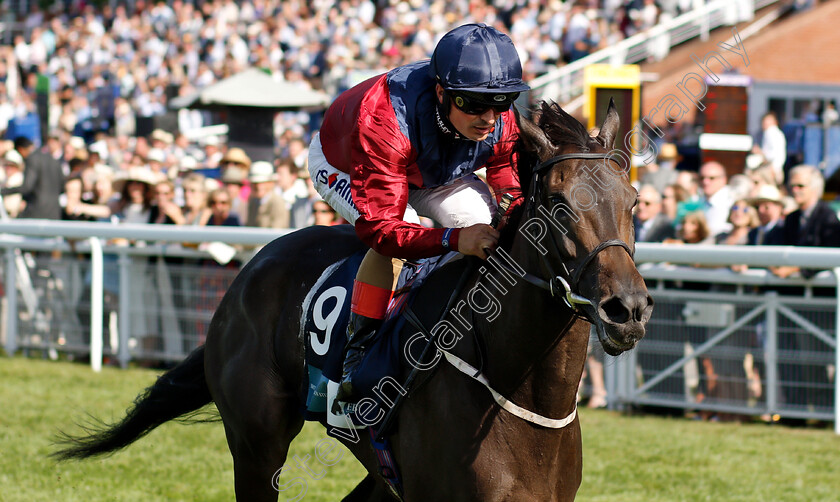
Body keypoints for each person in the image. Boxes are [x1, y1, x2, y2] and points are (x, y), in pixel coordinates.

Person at [308, 23, 527, 404]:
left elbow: (507, 176)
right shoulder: (384, 119)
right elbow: (384, 230)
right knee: (402, 236)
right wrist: (454, 239)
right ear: (442, 92)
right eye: (473, 104)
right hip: (349, 161)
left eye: (501, 102)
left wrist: (511, 214)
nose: (489, 118)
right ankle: (357, 357)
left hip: (433, 167)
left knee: (488, 227)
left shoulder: (498, 116)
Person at [772, 165, 840, 279]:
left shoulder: (828, 217)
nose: (794, 190)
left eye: (800, 186)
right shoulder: (791, 218)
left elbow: (829, 256)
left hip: (818, 291)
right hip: (792, 289)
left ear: (815, 188)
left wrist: (796, 268)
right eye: (792, 186)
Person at [0, 136, 64, 219]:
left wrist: (3, 191)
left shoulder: (32, 159)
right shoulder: (53, 159)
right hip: (55, 213)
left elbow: (26, 187)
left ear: (20, 150)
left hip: (35, 212)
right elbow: (62, 186)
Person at [245, 161, 290, 229]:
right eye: (255, 183)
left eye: (262, 182)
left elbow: (277, 231)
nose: (258, 187)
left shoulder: (277, 202)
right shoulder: (253, 202)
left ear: (271, 183)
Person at [699, 161, 733, 237]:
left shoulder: (732, 201)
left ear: (724, 179)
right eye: (702, 178)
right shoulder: (699, 200)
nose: (705, 182)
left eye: (711, 178)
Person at [753, 112, 786, 185]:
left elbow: (773, 154)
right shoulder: (775, 133)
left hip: (771, 169)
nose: (764, 124)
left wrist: (760, 152)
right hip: (773, 168)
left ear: (774, 122)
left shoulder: (771, 132)